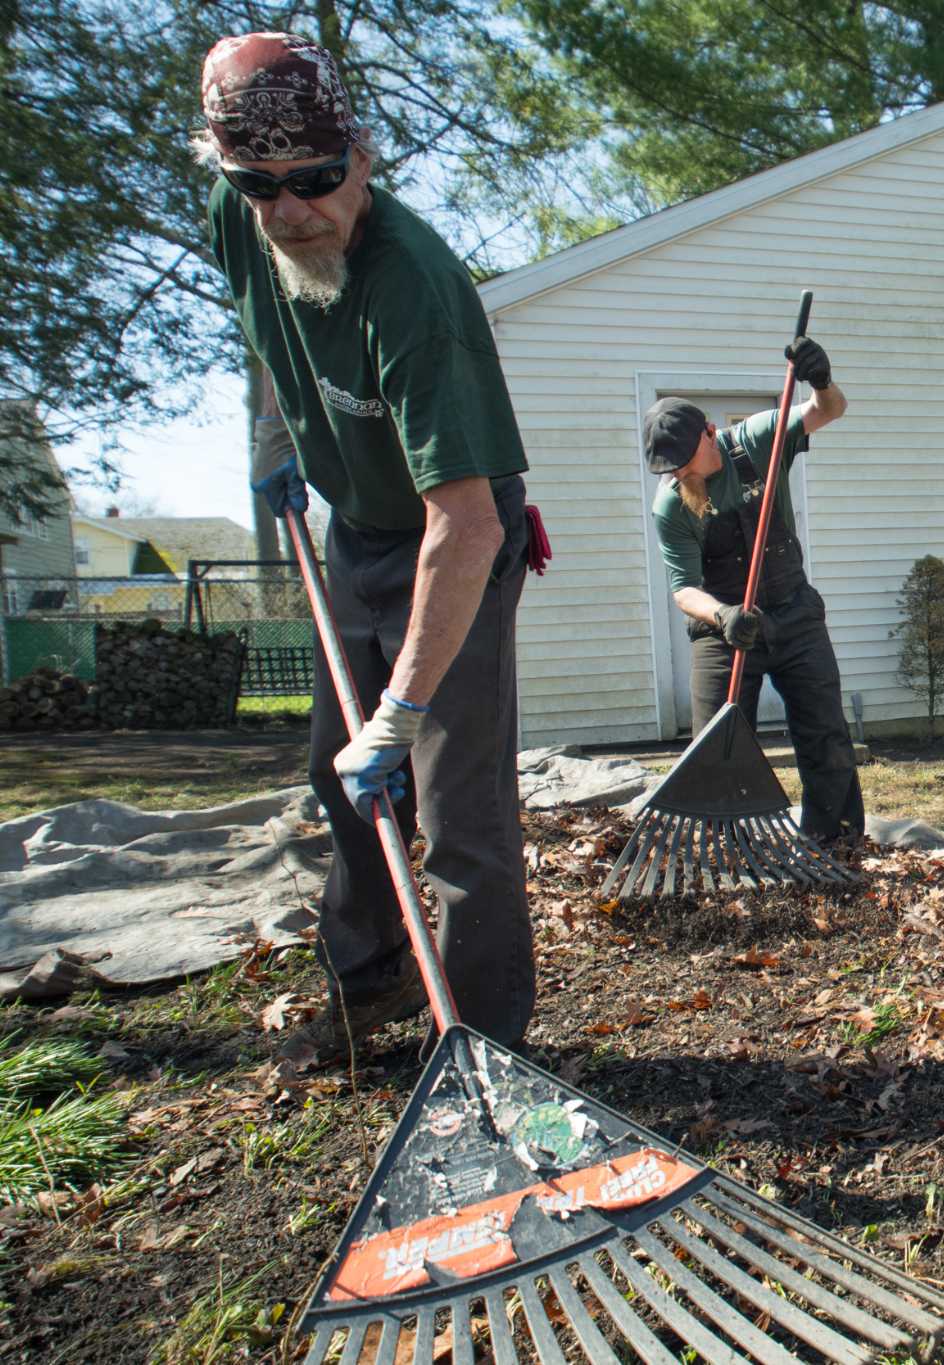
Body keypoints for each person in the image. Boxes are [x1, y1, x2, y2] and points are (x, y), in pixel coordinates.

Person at [196, 32, 535, 1067]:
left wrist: (400, 710)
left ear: (362, 156)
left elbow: (467, 525)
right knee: (334, 781)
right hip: (358, 527)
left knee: (451, 803)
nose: (293, 208)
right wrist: (274, 432)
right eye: (262, 185)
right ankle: (371, 981)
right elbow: (269, 332)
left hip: (458, 536)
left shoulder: (414, 289)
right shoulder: (243, 219)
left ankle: (484, 1046)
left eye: (315, 179)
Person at [642, 338, 864, 847]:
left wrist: (821, 379)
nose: (680, 475)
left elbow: (828, 411)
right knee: (714, 746)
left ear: (710, 433)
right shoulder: (672, 504)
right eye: (669, 469)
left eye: (684, 461)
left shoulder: (757, 439)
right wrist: (723, 615)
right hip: (724, 628)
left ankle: (835, 843)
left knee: (826, 736)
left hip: (793, 611)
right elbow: (683, 589)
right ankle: (725, 849)